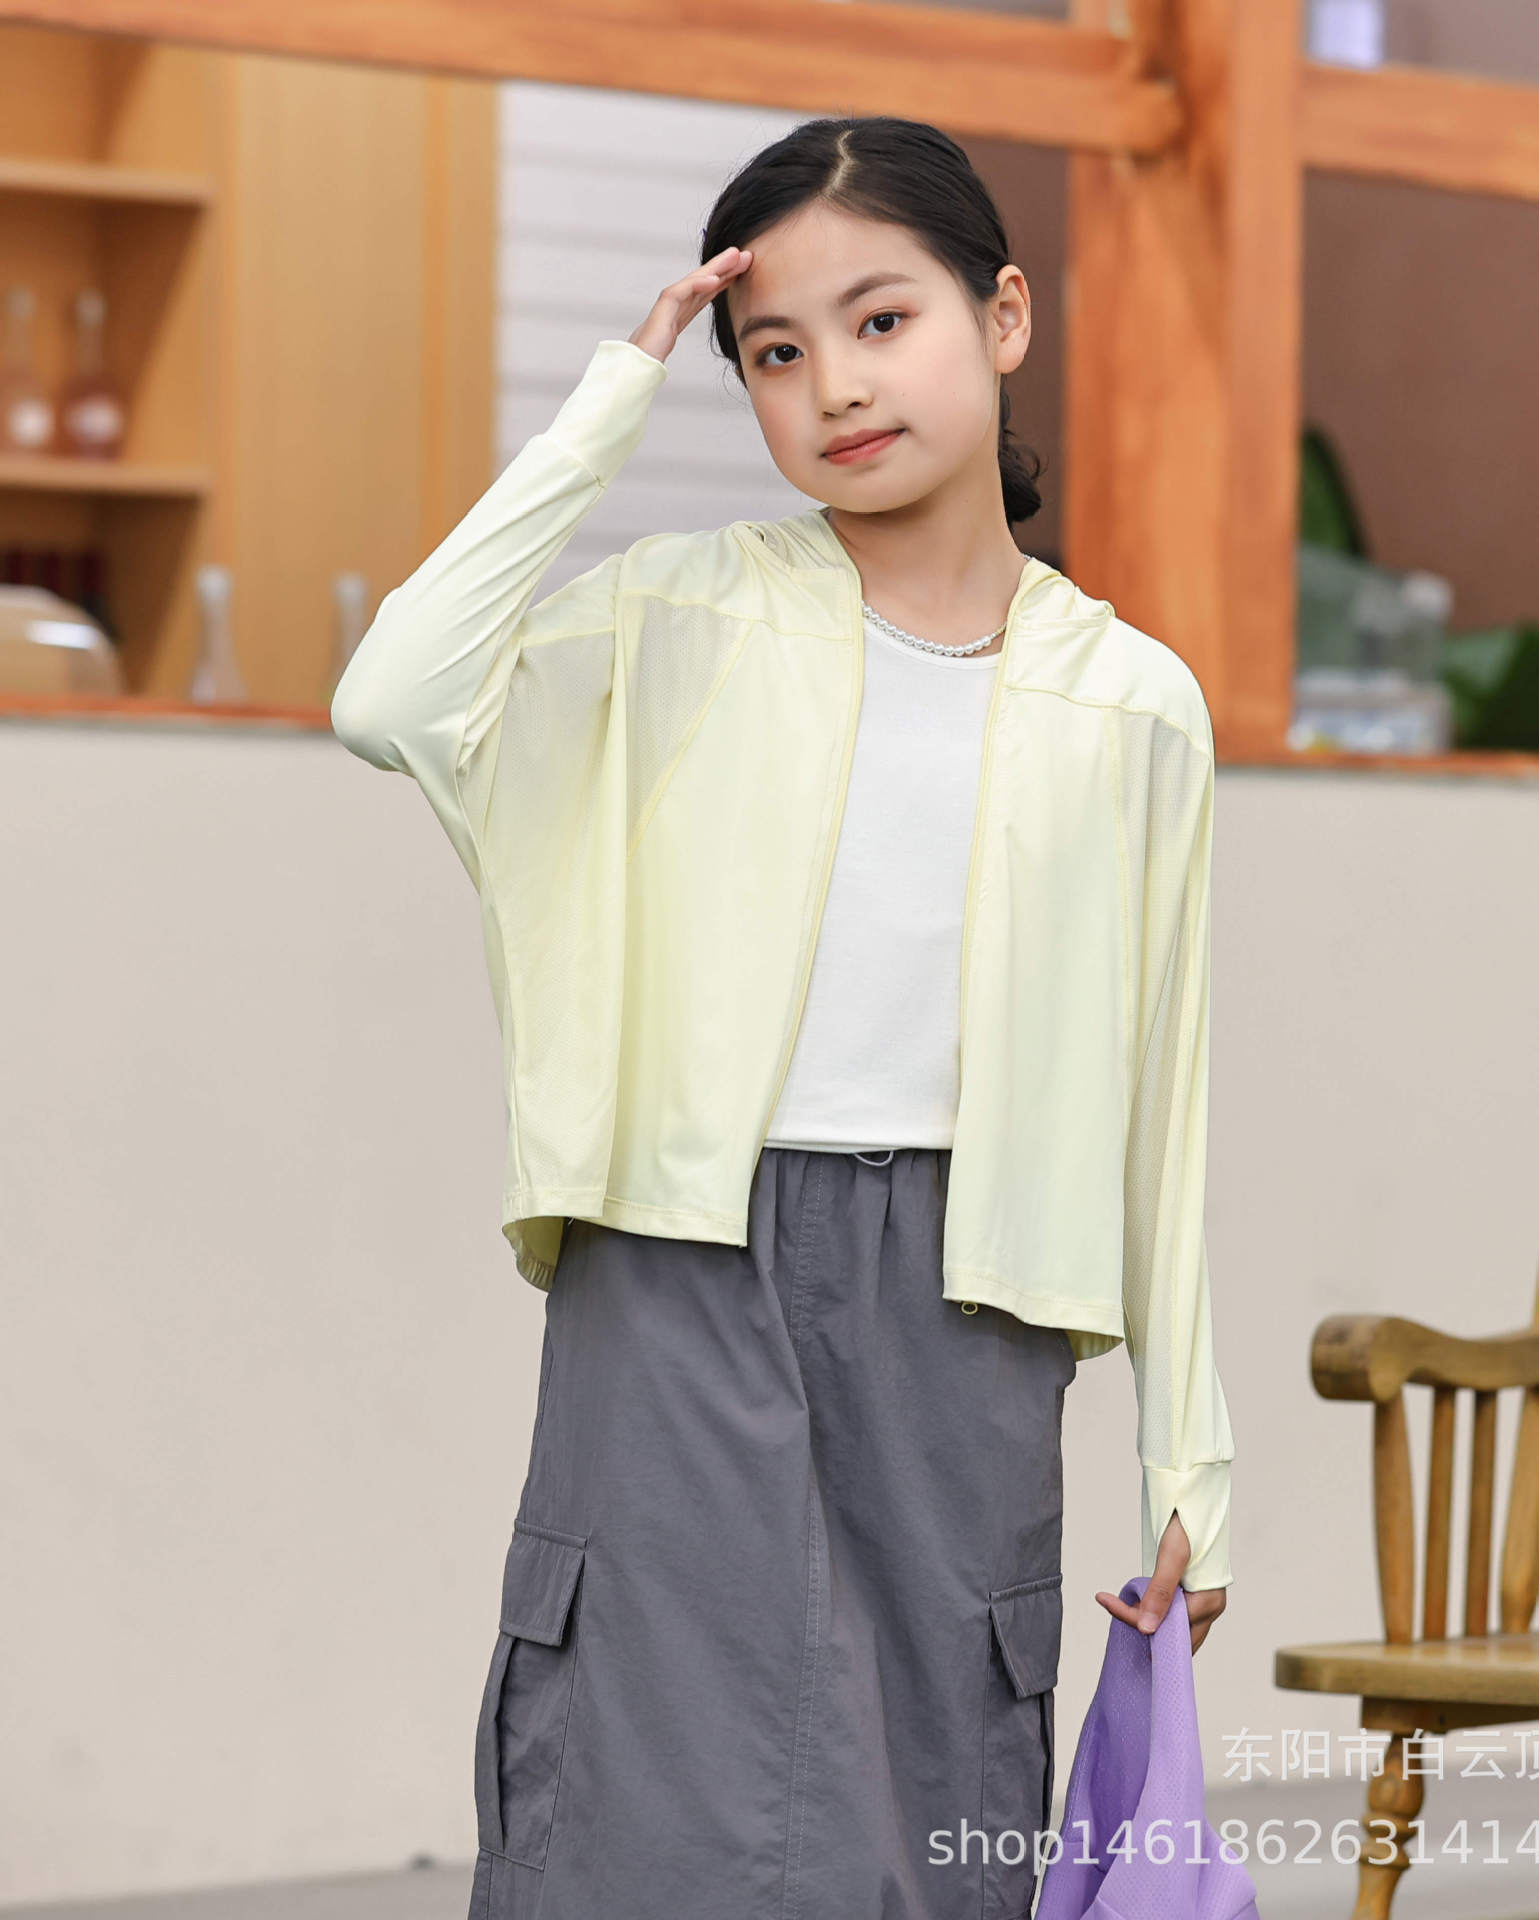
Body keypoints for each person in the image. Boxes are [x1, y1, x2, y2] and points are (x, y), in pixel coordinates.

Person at [330, 113, 1237, 1920]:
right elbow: (394, 698)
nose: (835, 385)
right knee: (632, 1796)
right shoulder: (673, 617)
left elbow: (1164, 1097)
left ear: (1004, 316)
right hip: (678, 1267)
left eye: (882, 320)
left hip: (971, 1294)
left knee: (932, 1796)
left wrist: (1183, 1457)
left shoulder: (1132, 703)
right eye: (773, 353)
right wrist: (614, 400)